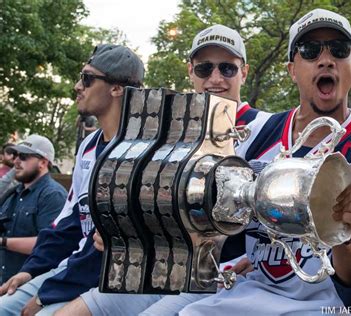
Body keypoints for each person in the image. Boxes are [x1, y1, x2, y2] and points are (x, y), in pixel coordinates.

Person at [176, 8, 351, 315]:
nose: (325, 59)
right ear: (292, 69)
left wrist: (344, 236)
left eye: (338, 50)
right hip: (253, 290)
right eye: (310, 50)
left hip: (328, 306)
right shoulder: (256, 136)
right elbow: (217, 225)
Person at [56, 24, 260, 316]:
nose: (215, 78)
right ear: (190, 71)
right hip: (157, 270)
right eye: (204, 69)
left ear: (244, 72)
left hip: (222, 277)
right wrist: (117, 230)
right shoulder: (168, 133)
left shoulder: (266, 129)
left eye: (227, 68)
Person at [0, 44, 145, 316]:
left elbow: (107, 245)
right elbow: (69, 222)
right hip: (73, 266)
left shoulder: (141, 150)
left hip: (112, 278)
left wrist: (48, 294)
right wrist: (32, 269)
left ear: (117, 88)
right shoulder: (89, 145)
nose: (78, 86)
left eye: (88, 79)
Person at [0, 135, 67, 283]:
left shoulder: (53, 195)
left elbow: (49, 244)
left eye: (23, 156)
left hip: (27, 285)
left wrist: (4, 242)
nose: (16, 161)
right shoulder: (14, 193)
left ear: (43, 162)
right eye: (15, 155)